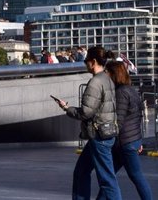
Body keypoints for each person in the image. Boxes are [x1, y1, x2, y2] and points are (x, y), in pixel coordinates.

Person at [56, 46, 122, 200]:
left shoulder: (95, 82)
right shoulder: (108, 79)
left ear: (93, 62)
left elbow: (86, 112)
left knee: (107, 180)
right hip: (103, 133)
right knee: (81, 172)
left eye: (86, 61)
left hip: (99, 136)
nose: (85, 64)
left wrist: (67, 108)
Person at [103, 59, 153, 200]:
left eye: (108, 72)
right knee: (108, 177)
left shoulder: (120, 93)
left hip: (124, 142)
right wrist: (138, 141)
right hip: (131, 140)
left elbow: (118, 120)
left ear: (114, 74)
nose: (106, 75)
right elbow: (138, 117)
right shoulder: (132, 90)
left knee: (136, 177)